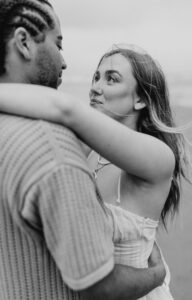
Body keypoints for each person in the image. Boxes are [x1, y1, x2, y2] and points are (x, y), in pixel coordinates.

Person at [0, 1, 167, 300]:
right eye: (96, 77)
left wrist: (157, 276)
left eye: (111, 79)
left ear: (140, 100)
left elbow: (64, 108)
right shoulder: (79, 148)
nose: (95, 87)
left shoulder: (158, 158)